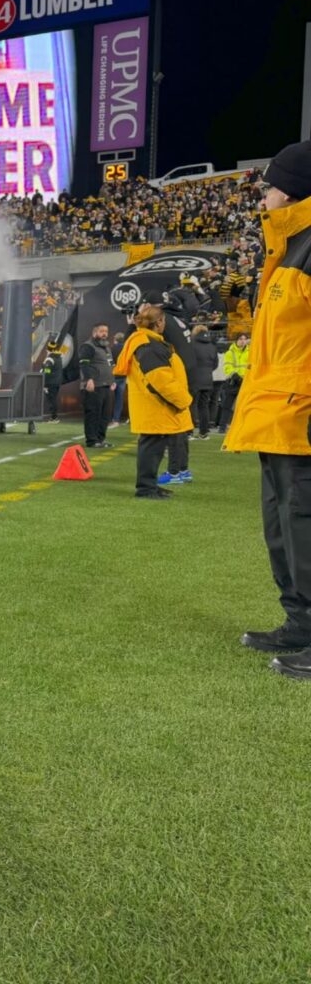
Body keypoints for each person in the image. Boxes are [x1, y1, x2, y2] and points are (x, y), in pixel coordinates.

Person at [221, 141, 311, 673]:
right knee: (284, 527)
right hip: (276, 418)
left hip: (301, 416)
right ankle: (300, 622)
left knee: (305, 524)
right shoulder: (289, 248)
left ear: (296, 189)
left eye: (274, 185)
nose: (266, 195)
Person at [113, 305, 193, 499]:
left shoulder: (146, 342)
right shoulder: (148, 345)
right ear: (158, 323)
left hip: (154, 405)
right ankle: (146, 488)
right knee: (151, 448)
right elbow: (161, 381)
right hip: (155, 405)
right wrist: (184, 400)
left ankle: (149, 486)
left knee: (153, 449)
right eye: (164, 321)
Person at [78, 322, 114, 447]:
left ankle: (101, 439)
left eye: (106, 332)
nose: (105, 334)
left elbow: (110, 366)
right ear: (94, 333)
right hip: (94, 386)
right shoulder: (87, 346)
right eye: (102, 331)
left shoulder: (106, 348)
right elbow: (84, 364)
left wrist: (112, 380)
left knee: (105, 415)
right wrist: (89, 379)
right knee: (93, 413)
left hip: (106, 386)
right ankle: (92, 440)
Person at [189, 325, 218, 439]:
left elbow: (188, 361)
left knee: (191, 405)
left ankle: (189, 431)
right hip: (208, 379)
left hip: (194, 379)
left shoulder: (191, 344)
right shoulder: (212, 346)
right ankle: (204, 432)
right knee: (204, 406)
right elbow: (215, 364)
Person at [217, 332, 249, 433]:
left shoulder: (250, 352)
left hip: (245, 381)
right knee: (227, 405)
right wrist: (234, 375)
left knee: (244, 406)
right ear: (236, 340)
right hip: (233, 382)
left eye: (244, 339)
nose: (242, 341)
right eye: (240, 339)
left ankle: (243, 426)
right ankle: (222, 427)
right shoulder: (230, 353)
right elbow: (227, 367)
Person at [41, 338, 63, 422]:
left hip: (50, 383)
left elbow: (47, 371)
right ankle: (54, 417)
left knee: (51, 400)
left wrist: (45, 384)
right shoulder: (59, 358)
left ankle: (54, 417)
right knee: (53, 399)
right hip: (57, 382)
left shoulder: (50, 359)